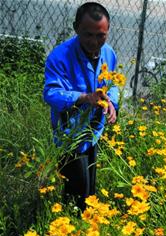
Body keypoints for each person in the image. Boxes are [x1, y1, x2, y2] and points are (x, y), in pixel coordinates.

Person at [43, 2, 118, 210]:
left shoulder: (109, 54)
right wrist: (84, 97)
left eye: (101, 35)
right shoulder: (60, 56)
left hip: (94, 130)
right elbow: (50, 93)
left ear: (108, 30)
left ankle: (82, 230)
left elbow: (113, 85)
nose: (94, 42)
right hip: (70, 134)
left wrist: (113, 104)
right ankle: (69, 232)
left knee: (90, 190)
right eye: (88, 35)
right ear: (76, 28)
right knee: (77, 194)